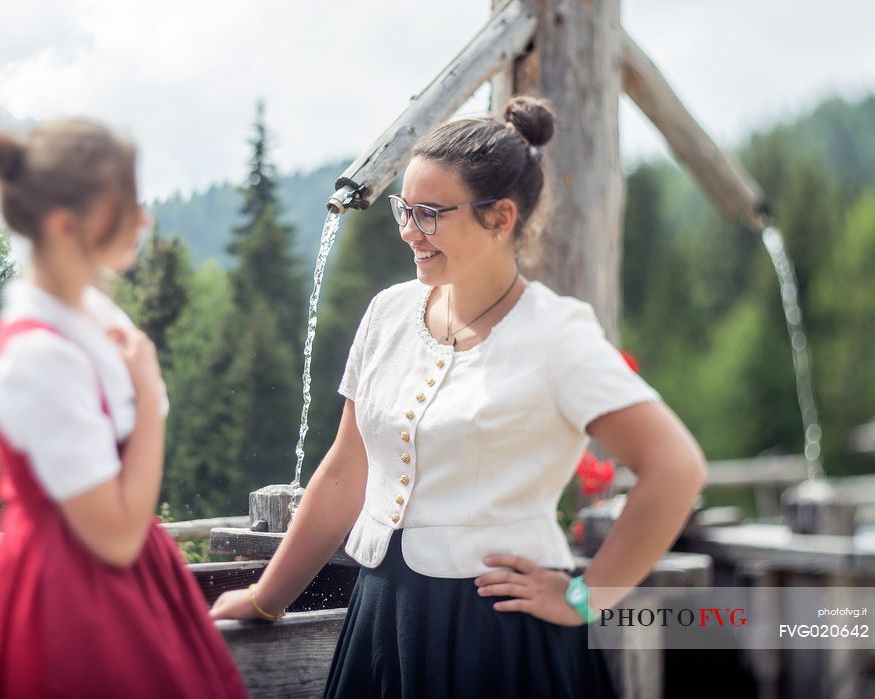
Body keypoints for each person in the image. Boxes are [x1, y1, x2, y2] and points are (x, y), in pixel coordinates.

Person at [210, 96, 707, 697]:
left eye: (429, 213)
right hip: (380, 620)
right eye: (403, 208)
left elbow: (675, 469)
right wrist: (267, 599)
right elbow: (346, 472)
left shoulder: (557, 333)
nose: (407, 231)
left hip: (497, 636)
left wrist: (585, 596)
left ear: (500, 217)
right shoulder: (388, 313)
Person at [0, 120, 246, 699]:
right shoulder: (40, 357)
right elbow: (115, 535)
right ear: (67, 226)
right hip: (75, 601)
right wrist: (147, 394)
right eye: (127, 205)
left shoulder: (89, 316)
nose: (144, 218)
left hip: (122, 581)